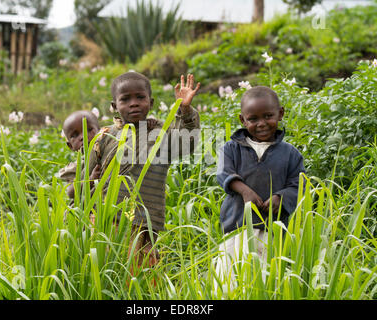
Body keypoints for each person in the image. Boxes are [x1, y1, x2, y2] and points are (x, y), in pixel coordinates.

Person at [88, 71, 201, 273]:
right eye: (125, 99)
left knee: (143, 278)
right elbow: (84, 181)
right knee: (104, 273)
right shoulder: (104, 137)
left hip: (144, 223)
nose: (134, 103)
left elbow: (187, 142)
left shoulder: (160, 132)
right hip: (106, 220)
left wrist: (184, 109)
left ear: (151, 102)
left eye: (140, 97)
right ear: (114, 106)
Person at [215, 86, 305, 292]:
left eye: (268, 116)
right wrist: (244, 191)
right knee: (230, 280)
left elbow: (298, 183)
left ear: (280, 114)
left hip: (272, 230)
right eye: (253, 119)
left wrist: (280, 197)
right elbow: (222, 173)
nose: (262, 123)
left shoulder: (290, 153)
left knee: (267, 282)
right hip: (236, 228)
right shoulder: (230, 149)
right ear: (242, 120)